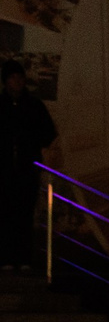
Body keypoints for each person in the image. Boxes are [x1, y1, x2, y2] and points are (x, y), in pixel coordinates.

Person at [0, 60, 58, 272]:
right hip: (6, 169)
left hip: (26, 168)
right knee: (6, 213)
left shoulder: (33, 106)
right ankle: (7, 257)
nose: (18, 81)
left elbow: (48, 133)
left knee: (24, 213)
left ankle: (22, 257)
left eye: (20, 77)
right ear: (6, 81)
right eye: (13, 78)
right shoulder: (11, 105)